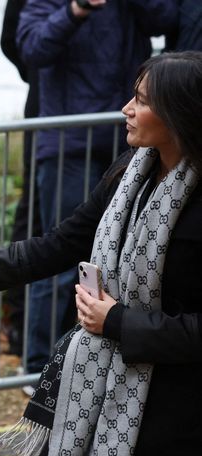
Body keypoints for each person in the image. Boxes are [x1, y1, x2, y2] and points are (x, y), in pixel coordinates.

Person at [0, 50, 202, 456]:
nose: (126, 109)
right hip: (96, 392)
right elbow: (57, 246)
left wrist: (118, 321)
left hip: (177, 418)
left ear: (180, 115)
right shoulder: (130, 174)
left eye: (141, 101)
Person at [16, 0, 177, 375]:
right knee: (60, 255)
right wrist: (77, 8)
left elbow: (167, 19)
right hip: (67, 143)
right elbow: (32, 50)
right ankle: (38, 366)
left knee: (118, 260)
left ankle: (89, 360)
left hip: (127, 146)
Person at [0, 0, 42, 357]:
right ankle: (20, 325)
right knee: (35, 219)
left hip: (99, 117)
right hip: (49, 113)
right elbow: (13, 40)